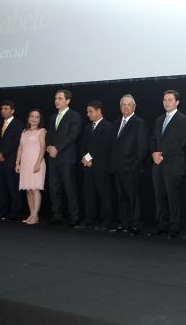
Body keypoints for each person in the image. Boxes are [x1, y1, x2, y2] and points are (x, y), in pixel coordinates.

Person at [149, 90, 186, 238]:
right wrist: (154, 153)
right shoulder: (159, 119)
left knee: (173, 199)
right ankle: (162, 224)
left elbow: (180, 142)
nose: (166, 102)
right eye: (165, 100)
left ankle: (175, 226)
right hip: (158, 165)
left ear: (177, 102)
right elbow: (153, 139)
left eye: (170, 100)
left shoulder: (182, 119)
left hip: (173, 165)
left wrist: (162, 154)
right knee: (159, 197)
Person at [110, 95, 149, 235]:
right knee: (121, 198)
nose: (125, 107)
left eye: (128, 105)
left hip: (132, 169)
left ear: (134, 107)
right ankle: (124, 223)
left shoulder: (139, 123)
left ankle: (135, 224)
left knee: (133, 198)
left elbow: (142, 148)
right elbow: (113, 147)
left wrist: (134, 165)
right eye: (123, 105)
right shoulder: (115, 123)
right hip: (118, 168)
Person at [46, 89, 82, 226]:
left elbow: (72, 136)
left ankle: (74, 217)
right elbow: (49, 135)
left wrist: (57, 148)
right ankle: (57, 215)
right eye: (56, 98)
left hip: (66, 158)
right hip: (52, 158)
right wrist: (49, 147)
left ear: (68, 101)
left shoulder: (75, 116)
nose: (56, 101)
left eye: (60, 98)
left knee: (69, 188)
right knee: (54, 188)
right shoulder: (52, 117)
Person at [80, 100, 113, 230]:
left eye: (91, 111)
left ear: (99, 111)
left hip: (101, 167)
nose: (88, 114)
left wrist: (88, 157)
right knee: (88, 194)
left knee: (104, 195)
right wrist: (84, 158)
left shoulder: (108, 126)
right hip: (88, 167)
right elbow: (83, 145)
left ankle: (106, 220)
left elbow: (103, 146)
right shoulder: (87, 128)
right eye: (87, 112)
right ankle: (89, 218)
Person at [0, 100, 23, 221]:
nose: (3, 111)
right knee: (0, 188)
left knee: (13, 188)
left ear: (12, 111)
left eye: (6, 109)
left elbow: (16, 142)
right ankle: (2, 212)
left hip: (11, 160)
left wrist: (3, 153)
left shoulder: (18, 124)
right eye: (2, 109)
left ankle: (15, 212)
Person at [16, 110, 47, 225]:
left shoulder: (42, 131)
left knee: (35, 189)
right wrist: (17, 163)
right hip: (25, 163)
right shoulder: (24, 131)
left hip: (36, 163)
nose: (34, 119)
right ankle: (31, 214)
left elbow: (43, 148)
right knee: (28, 190)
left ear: (40, 120)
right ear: (28, 118)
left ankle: (35, 216)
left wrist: (38, 163)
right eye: (32, 116)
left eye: (37, 117)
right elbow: (20, 147)